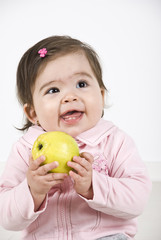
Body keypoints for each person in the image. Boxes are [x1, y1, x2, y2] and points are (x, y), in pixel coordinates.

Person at [0, 36, 151, 240]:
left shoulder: (114, 141)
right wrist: (32, 190)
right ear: (33, 113)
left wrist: (92, 185)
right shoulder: (25, 150)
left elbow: (138, 200)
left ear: (101, 95)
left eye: (81, 84)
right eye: (53, 90)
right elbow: (6, 219)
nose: (70, 96)